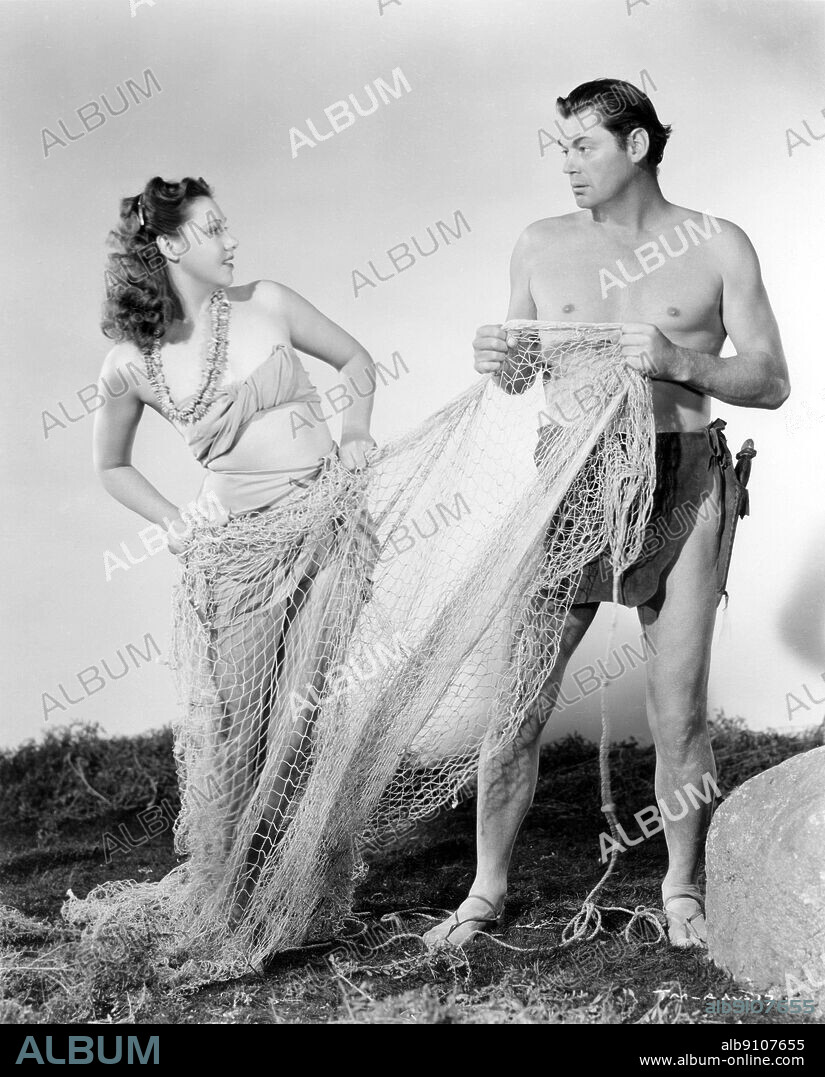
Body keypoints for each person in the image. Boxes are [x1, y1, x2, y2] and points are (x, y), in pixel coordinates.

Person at [423, 79, 790, 950]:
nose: (566, 165)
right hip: (570, 487)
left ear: (633, 147)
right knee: (514, 706)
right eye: (560, 148)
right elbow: (516, 368)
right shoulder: (540, 245)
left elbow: (770, 379)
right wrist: (495, 357)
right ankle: (486, 889)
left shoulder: (717, 244)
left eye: (581, 146)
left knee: (678, 711)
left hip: (685, 482)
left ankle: (680, 887)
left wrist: (679, 362)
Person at [91, 175, 378, 959]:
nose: (232, 241)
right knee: (239, 735)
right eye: (214, 228)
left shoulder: (269, 302)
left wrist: (354, 432)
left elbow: (357, 361)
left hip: (326, 528)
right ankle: (228, 904)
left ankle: (301, 902)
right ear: (173, 244)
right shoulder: (133, 360)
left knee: (307, 714)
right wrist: (173, 523)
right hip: (237, 557)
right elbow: (111, 466)